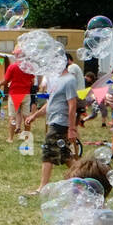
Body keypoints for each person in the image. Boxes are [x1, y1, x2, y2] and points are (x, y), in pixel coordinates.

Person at [27, 54, 79, 193]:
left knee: (47, 152)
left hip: (61, 122)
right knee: (65, 155)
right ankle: (85, 178)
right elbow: (51, 103)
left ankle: (43, 187)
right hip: (54, 120)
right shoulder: (57, 80)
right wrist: (35, 115)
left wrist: (72, 128)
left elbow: (72, 105)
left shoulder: (69, 80)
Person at [4, 58, 35, 142]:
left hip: (14, 94)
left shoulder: (12, 66)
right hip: (26, 94)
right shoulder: (29, 67)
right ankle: (27, 138)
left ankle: (10, 138)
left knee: (12, 116)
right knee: (26, 117)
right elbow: (32, 82)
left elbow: (5, 81)